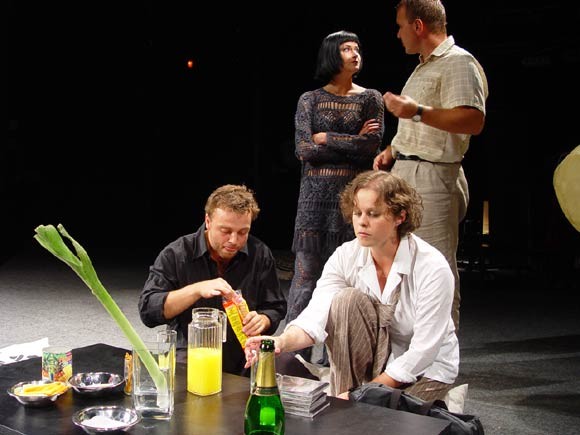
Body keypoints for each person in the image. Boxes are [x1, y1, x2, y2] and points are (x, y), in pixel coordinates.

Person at [245, 170, 459, 402]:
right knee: (345, 300)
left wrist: (365, 394)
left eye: (373, 214)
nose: (362, 222)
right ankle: (345, 399)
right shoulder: (346, 255)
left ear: (400, 217)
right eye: (357, 213)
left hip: (423, 370)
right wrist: (280, 342)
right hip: (372, 363)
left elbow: (423, 351)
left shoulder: (431, 267)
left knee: (387, 417)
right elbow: (317, 314)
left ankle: (353, 402)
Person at [373, 0, 489, 331]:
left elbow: (473, 119)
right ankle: (412, 352)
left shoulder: (459, 62)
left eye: (401, 26)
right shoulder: (424, 66)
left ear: (418, 26)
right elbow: (422, 125)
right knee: (405, 268)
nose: (398, 34)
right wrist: (393, 149)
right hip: (408, 174)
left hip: (434, 177)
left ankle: (440, 359)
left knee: (435, 270)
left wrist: (417, 111)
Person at [287, 30, 385, 363]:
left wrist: (325, 137)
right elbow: (304, 150)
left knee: (347, 285)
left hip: (353, 206)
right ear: (332, 54)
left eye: (357, 48)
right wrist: (350, 140)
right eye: (346, 48)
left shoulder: (371, 98)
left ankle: (336, 362)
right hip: (313, 206)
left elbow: (371, 147)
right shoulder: (309, 100)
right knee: (304, 283)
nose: (355, 53)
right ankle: (294, 359)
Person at [138, 184, 286, 376]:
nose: (234, 240)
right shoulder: (177, 254)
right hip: (191, 356)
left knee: (286, 369)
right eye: (225, 231)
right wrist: (196, 290)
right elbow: (148, 310)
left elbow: (275, 306)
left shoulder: (260, 253)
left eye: (243, 232)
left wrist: (263, 320)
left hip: (245, 356)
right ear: (208, 221)